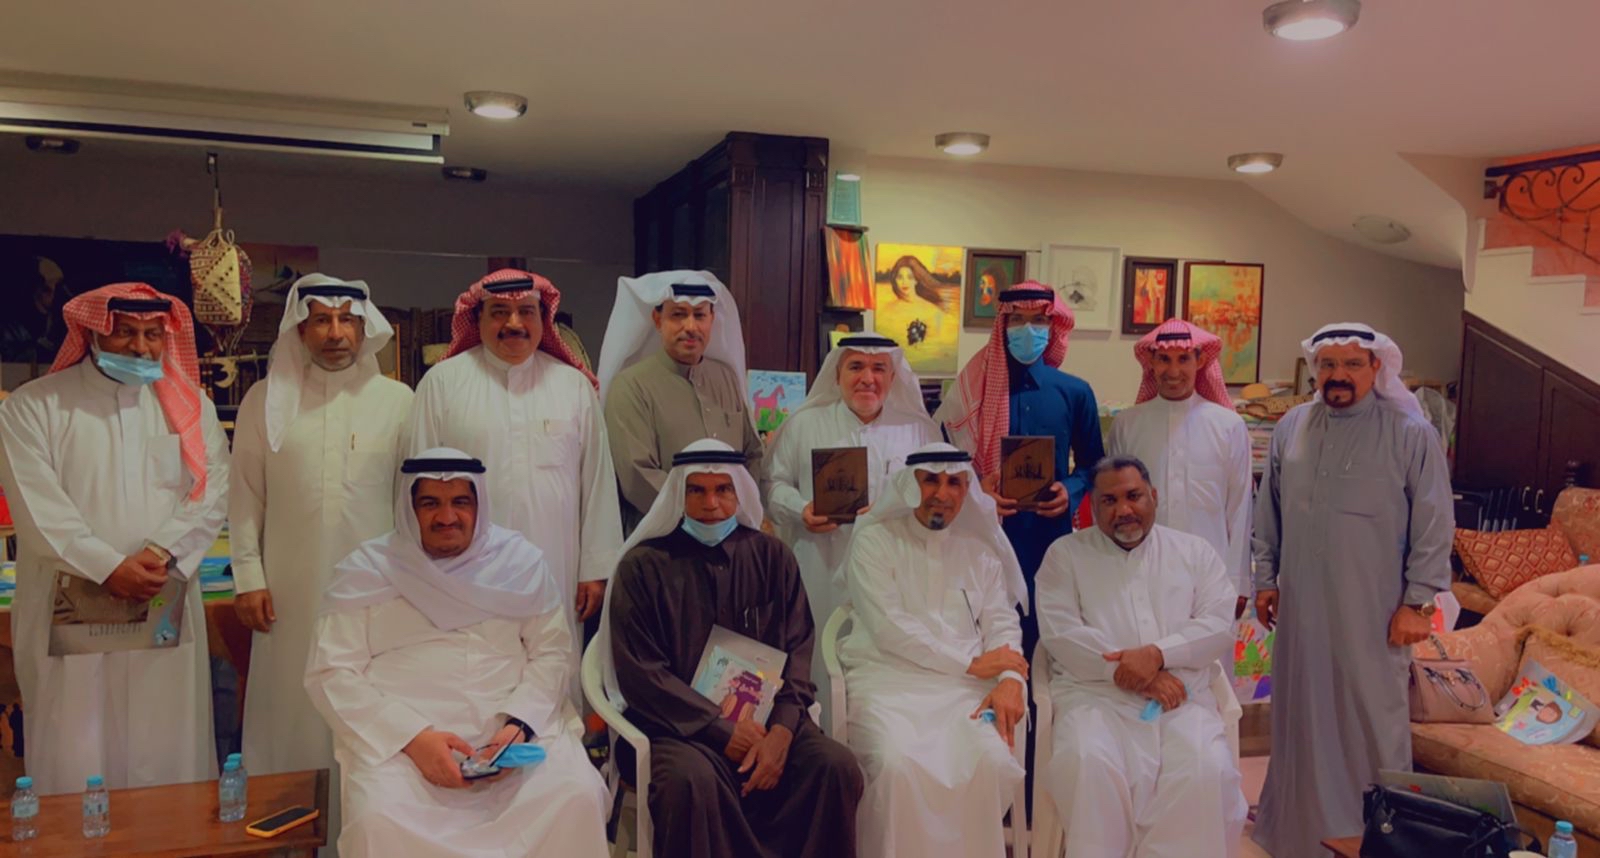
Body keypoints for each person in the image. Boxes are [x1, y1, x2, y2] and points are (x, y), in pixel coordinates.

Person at [304, 449, 609, 857]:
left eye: (460, 502)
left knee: (577, 795)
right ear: (409, 509)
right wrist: (414, 740)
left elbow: (552, 653)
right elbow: (331, 672)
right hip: (404, 750)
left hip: (510, 739)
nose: (447, 517)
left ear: (479, 506)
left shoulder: (520, 564)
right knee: (376, 821)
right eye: (430, 503)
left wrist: (517, 727)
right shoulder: (366, 571)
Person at [0, 283, 229, 794]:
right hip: (70, 602)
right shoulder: (36, 406)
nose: (140, 347)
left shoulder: (189, 406)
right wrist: (107, 566)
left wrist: (159, 553)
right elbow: (38, 506)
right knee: (76, 740)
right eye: (125, 332)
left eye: (152, 335)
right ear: (92, 333)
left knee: (163, 737)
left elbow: (212, 489)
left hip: (161, 591)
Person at [598, 439, 863, 858]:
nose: (711, 503)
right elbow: (643, 676)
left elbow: (798, 652)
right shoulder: (643, 566)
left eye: (723, 489)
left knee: (835, 766)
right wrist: (721, 729)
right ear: (679, 494)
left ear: (739, 491)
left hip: (768, 723)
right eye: (697, 490)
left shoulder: (773, 557)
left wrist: (781, 732)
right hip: (677, 730)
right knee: (691, 782)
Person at [1251, 323, 1454, 857]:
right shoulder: (1292, 426)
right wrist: (1265, 579)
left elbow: (1435, 522)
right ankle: (1296, 835)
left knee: (1372, 722)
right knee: (1301, 718)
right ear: (1315, 369)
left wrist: (1418, 603)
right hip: (1301, 608)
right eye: (1328, 365)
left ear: (1376, 368)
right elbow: (1268, 511)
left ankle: (1382, 841)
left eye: (1352, 365)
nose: (1338, 375)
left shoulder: (1410, 432)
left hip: (1374, 610)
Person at [229, 274, 412, 836]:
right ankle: (287, 833)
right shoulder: (265, 401)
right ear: (300, 329)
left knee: (368, 709)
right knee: (291, 706)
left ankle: (367, 834)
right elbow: (245, 496)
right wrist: (248, 577)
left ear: (364, 327)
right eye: (322, 321)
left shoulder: (398, 402)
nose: (336, 333)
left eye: (347, 320)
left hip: (377, 596)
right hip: (288, 594)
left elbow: (412, 505)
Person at [407, 268, 622, 700]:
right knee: (471, 677)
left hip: (556, 563)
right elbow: (415, 486)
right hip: (465, 569)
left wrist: (595, 570)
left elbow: (597, 480)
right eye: (498, 312)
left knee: (553, 671)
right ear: (478, 318)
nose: (513, 323)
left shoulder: (573, 387)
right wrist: (423, 566)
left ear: (544, 320)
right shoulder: (442, 384)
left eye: (526, 311)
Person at [1036, 455, 1246, 858]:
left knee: (1205, 769)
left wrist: (1157, 655)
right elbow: (1061, 633)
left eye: (1133, 496)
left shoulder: (1194, 552)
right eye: (1109, 501)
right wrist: (1135, 674)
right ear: (1093, 506)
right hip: (1097, 699)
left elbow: (1220, 624)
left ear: (1154, 496)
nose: (1123, 510)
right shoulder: (1065, 555)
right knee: (1088, 761)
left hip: (1181, 700)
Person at [840, 443, 1029, 857]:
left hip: (963, 693)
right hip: (888, 683)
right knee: (897, 765)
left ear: (967, 490)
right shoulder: (874, 541)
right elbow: (890, 629)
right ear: (910, 485)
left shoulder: (980, 552)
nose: (942, 493)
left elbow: (1002, 622)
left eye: (954, 483)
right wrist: (972, 663)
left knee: (989, 761)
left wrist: (1011, 677)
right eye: (931, 481)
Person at [765, 333, 940, 724]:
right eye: (856, 366)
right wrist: (800, 509)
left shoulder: (918, 431)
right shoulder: (804, 424)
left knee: (888, 663)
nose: (867, 378)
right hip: (820, 564)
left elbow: (940, 496)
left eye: (879, 368)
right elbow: (772, 485)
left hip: (894, 572)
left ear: (893, 376)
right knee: (817, 661)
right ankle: (818, 742)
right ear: (837, 374)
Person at [935, 283, 1104, 654]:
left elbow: (1094, 464)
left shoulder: (1075, 392)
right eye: (1017, 320)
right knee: (982, 625)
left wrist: (1070, 490)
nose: (1028, 329)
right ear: (1002, 324)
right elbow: (945, 462)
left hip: (1048, 533)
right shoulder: (975, 388)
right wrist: (978, 488)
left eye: (1038, 320)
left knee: (1046, 629)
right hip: (984, 530)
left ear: (1052, 325)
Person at [597, 271, 763, 530]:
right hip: (664, 538)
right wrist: (704, 514)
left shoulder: (727, 378)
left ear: (712, 319)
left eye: (699, 315)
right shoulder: (631, 386)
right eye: (678, 314)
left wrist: (736, 511)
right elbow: (637, 476)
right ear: (657, 320)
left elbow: (751, 453)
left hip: (731, 532)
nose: (690, 327)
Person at [1108, 318, 1253, 609]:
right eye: (1164, 359)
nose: (1173, 371)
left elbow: (1240, 510)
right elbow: (1113, 503)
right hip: (1140, 572)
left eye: (1183, 359)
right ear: (1151, 362)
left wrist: (1237, 582)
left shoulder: (1229, 426)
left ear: (1200, 361)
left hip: (1210, 576)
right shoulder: (1127, 424)